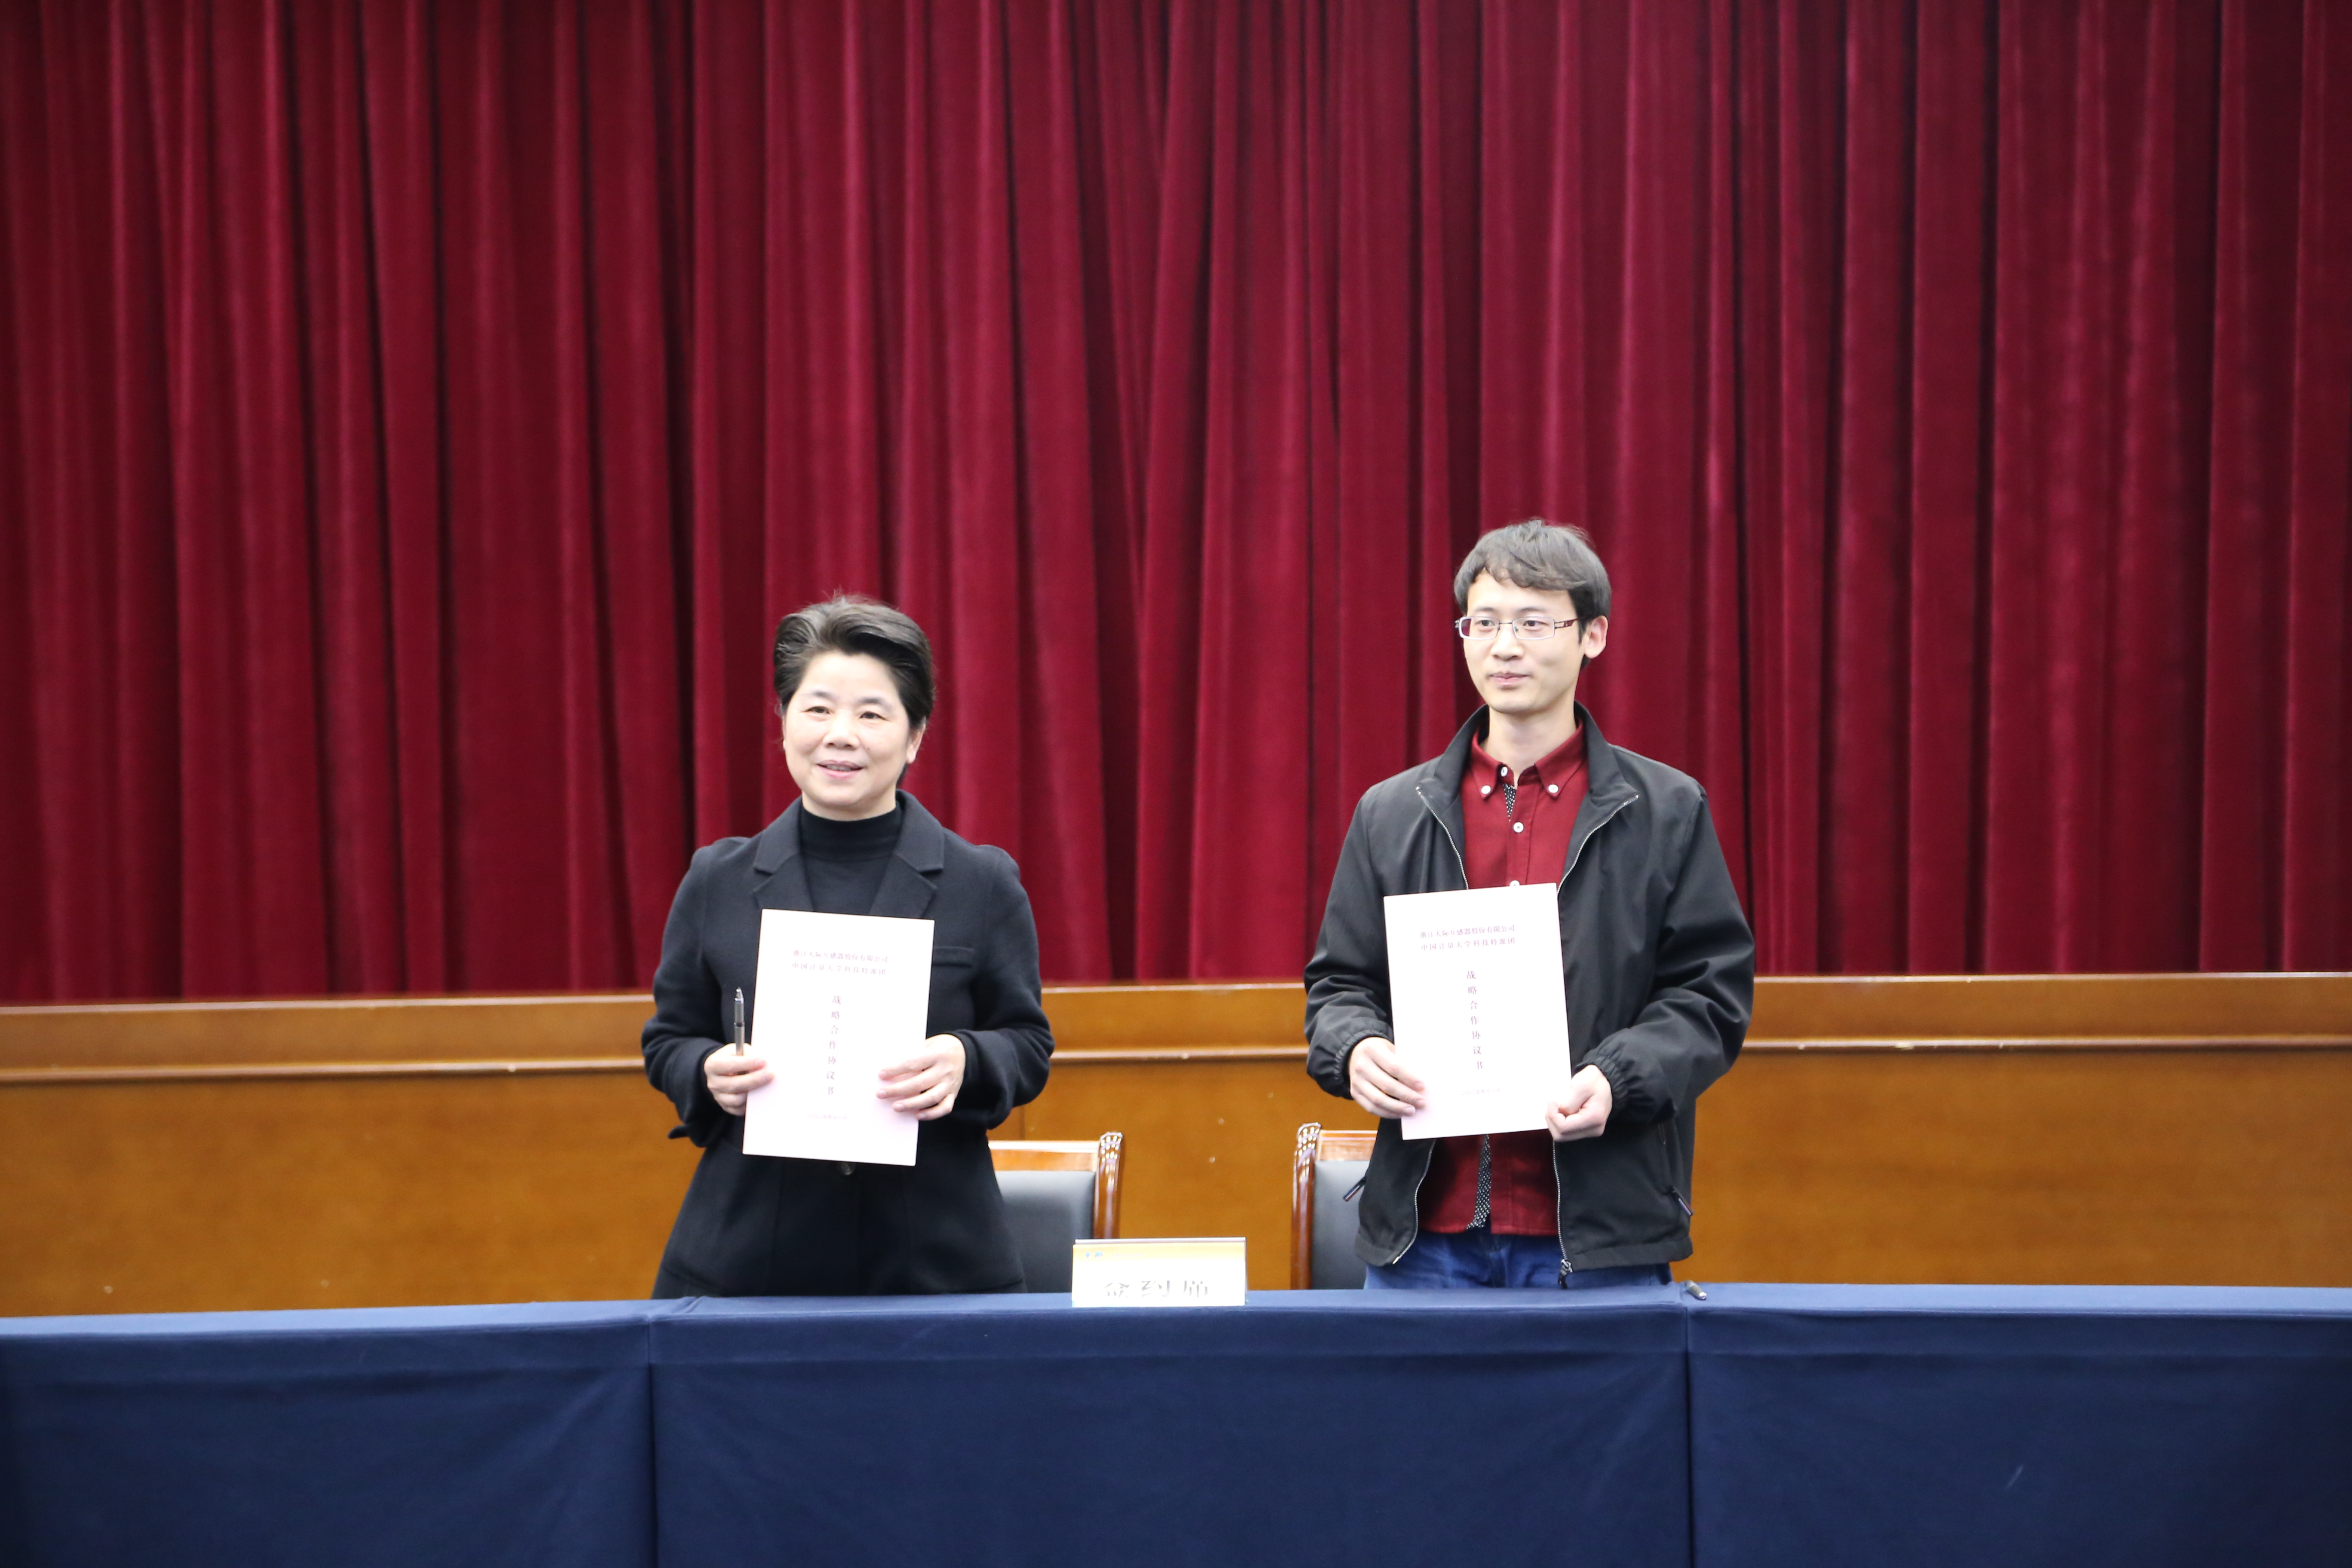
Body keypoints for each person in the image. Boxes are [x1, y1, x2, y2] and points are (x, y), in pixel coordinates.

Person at [1305, 521, 1754, 1288]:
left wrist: (1618, 1077)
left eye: (1533, 623)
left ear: (1593, 636)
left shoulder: (1666, 810)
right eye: (1483, 623)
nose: (1504, 647)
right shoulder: (1392, 813)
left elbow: (1709, 997)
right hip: (1424, 1240)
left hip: (1598, 1238)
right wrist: (1355, 1048)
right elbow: (1340, 986)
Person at [642, 595, 1053, 1295]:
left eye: (872, 714)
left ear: (915, 736)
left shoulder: (980, 882)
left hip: (933, 1259)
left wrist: (967, 1057)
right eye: (818, 709)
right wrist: (706, 1070)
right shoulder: (718, 878)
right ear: (783, 721)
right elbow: (669, 1039)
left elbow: (1027, 1042)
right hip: (749, 1257)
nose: (841, 735)